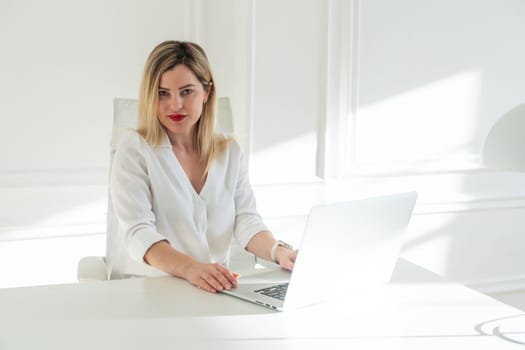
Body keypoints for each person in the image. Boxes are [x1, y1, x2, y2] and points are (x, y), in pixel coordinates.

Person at [107, 40, 297, 293]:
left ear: (207, 92)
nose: (175, 105)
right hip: (152, 291)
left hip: (215, 290)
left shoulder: (229, 152)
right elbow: (138, 233)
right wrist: (191, 268)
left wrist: (278, 251)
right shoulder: (135, 149)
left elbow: (246, 220)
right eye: (163, 93)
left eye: (186, 92)